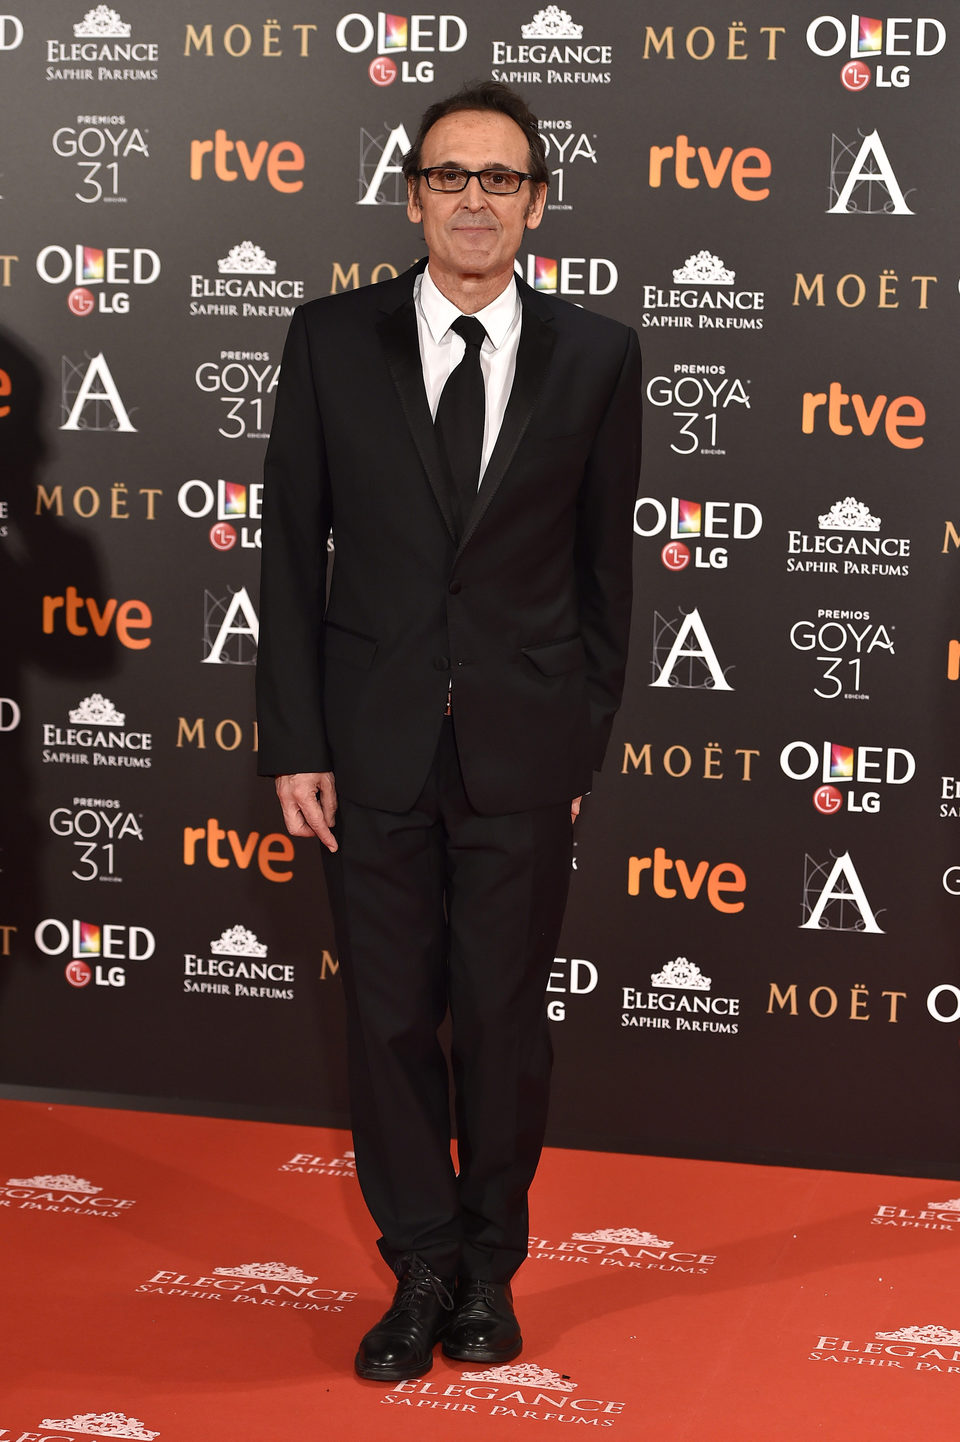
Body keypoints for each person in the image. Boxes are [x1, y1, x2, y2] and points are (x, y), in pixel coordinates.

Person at [256, 81, 642, 1383]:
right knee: (385, 1019)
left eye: (501, 177)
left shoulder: (598, 355)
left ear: (537, 203)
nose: (475, 198)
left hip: (523, 752)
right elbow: (288, 555)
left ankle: (489, 1266)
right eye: (449, 175)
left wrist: (578, 744)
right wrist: (295, 740)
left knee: (503, 1019)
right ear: (414, 195)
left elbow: (605, 579)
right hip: (367, 745)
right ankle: (420, 1259)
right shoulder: (329, 338)